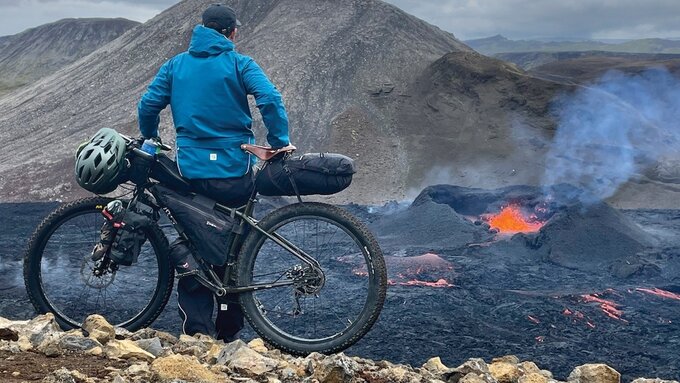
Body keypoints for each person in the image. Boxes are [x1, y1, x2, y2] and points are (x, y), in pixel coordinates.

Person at [137, 3, 290, 342]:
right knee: (233, 247)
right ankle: (230, 331)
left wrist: (151, 137)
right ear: (232, 32)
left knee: (192, 240)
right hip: (234, 172)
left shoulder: (175, 66)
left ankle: (198, 332)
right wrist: (279, 142)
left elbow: (147, 106)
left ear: (202, 29)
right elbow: (269, 98)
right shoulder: (239, 63)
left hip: (190, 171)